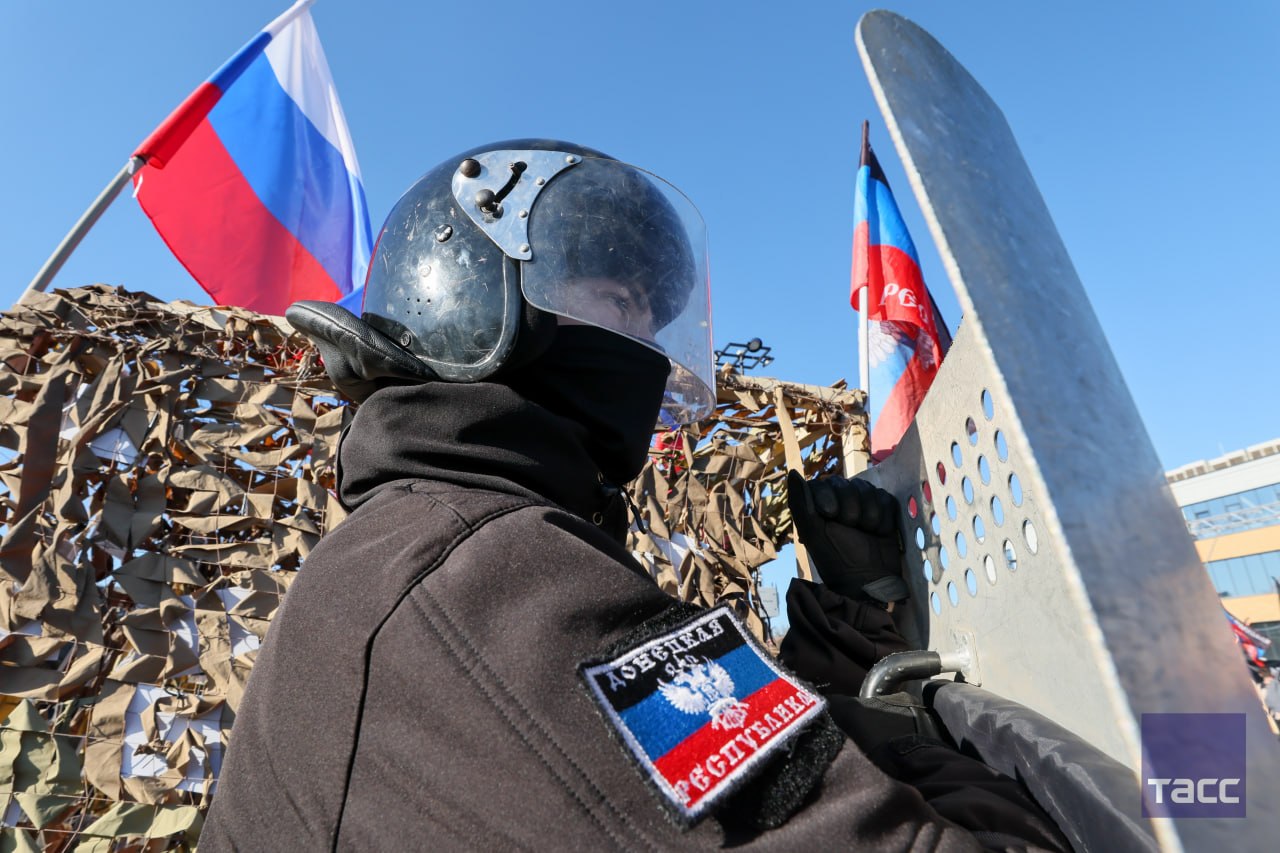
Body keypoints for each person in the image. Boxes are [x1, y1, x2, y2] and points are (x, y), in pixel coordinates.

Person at [201, 139, 1067, 850]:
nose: (648, 351)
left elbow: (701, 783)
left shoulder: (435, 543)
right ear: (474, 297)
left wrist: (849, 632)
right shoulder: (484, 577)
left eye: (656, 321)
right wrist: (936, 737)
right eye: (621, 300)